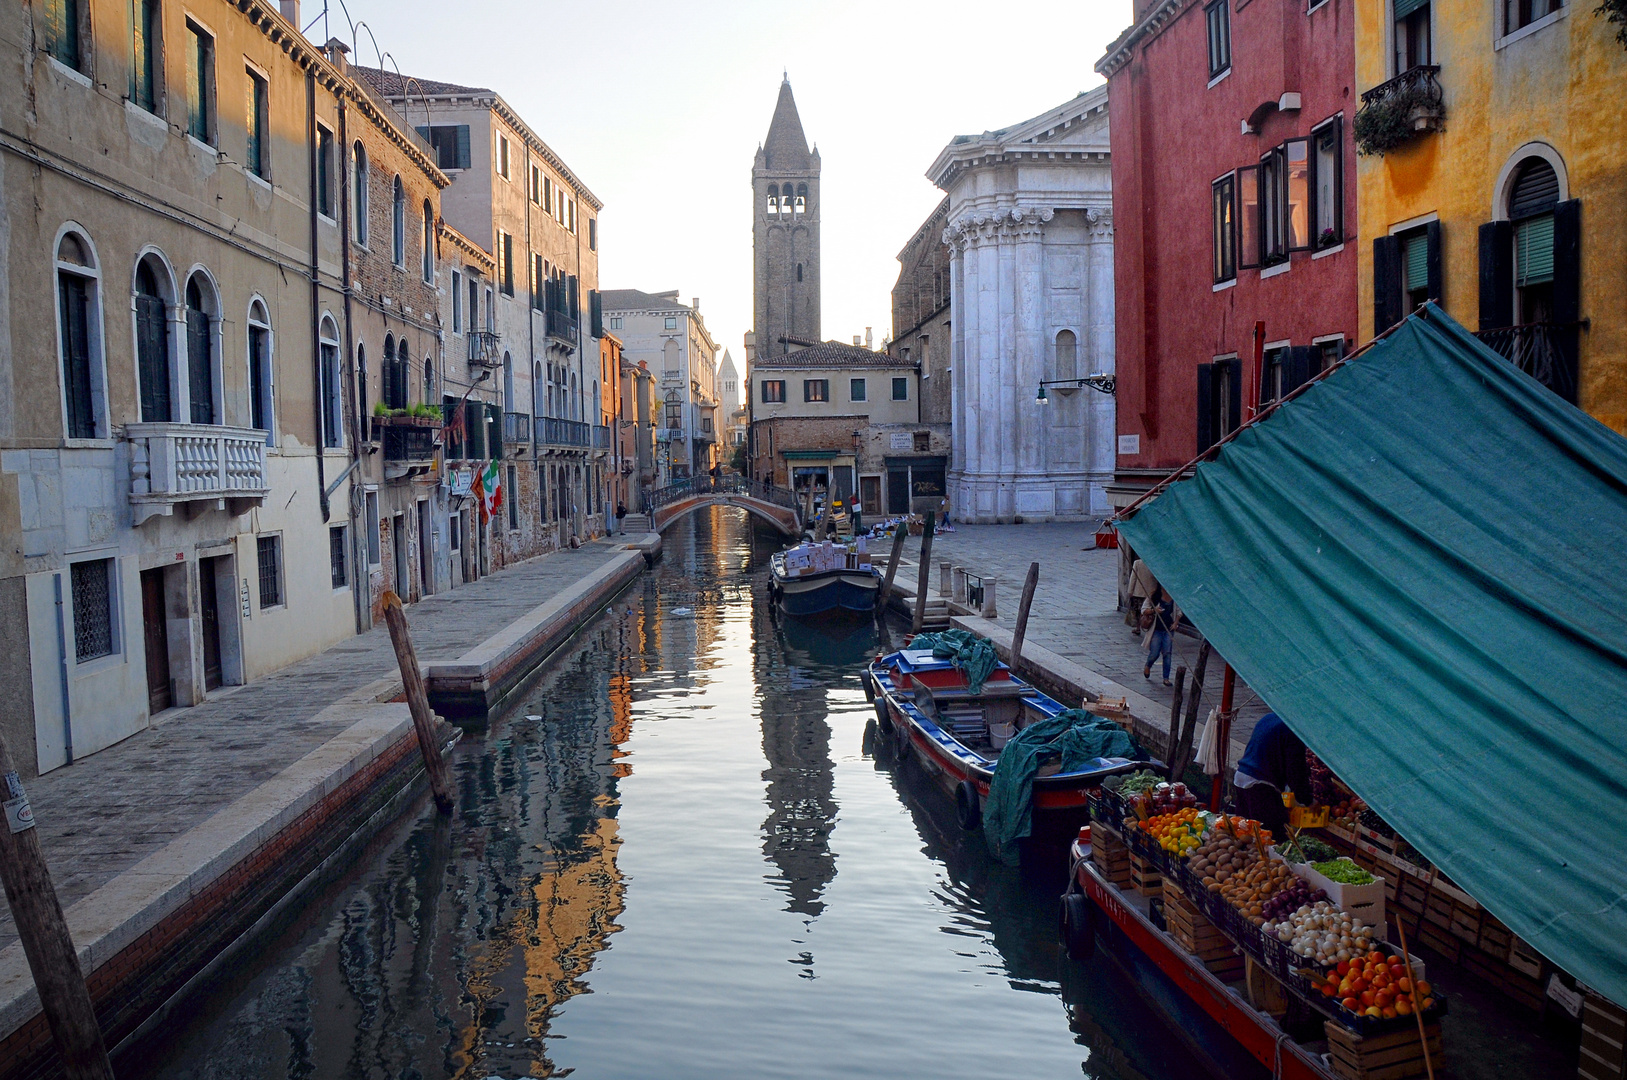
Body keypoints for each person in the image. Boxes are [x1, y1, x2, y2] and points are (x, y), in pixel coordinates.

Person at [1233, 712, 1311, 842]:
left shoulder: (1269, 717)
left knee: (1246, 833)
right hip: (1260, 783)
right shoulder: (1292, 730)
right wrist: (1308, 800)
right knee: (1272, 837)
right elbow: (1295, 772)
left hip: (1241, 776)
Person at [1143, 587, 1179, 686]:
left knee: (1167, 653)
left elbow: (1179, 611)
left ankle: (1166, 678)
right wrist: (1154, 610)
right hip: (1156, 629)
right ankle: (1148, 665)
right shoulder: (1154, 596)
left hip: (1169, 629)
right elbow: (1144, 610)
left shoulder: (1174, 596)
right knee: (1155, 652)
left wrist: (1176, 623)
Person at [1127, 557, 1157, 636]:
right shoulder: (1154, 563)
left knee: (1139, 611)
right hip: (1151, 591)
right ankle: (1150, 626)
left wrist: (1130, 591)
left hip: (1139, 592)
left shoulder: (1137, 563)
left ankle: (1138, 628)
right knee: (1150, 610)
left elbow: (1133, 578)